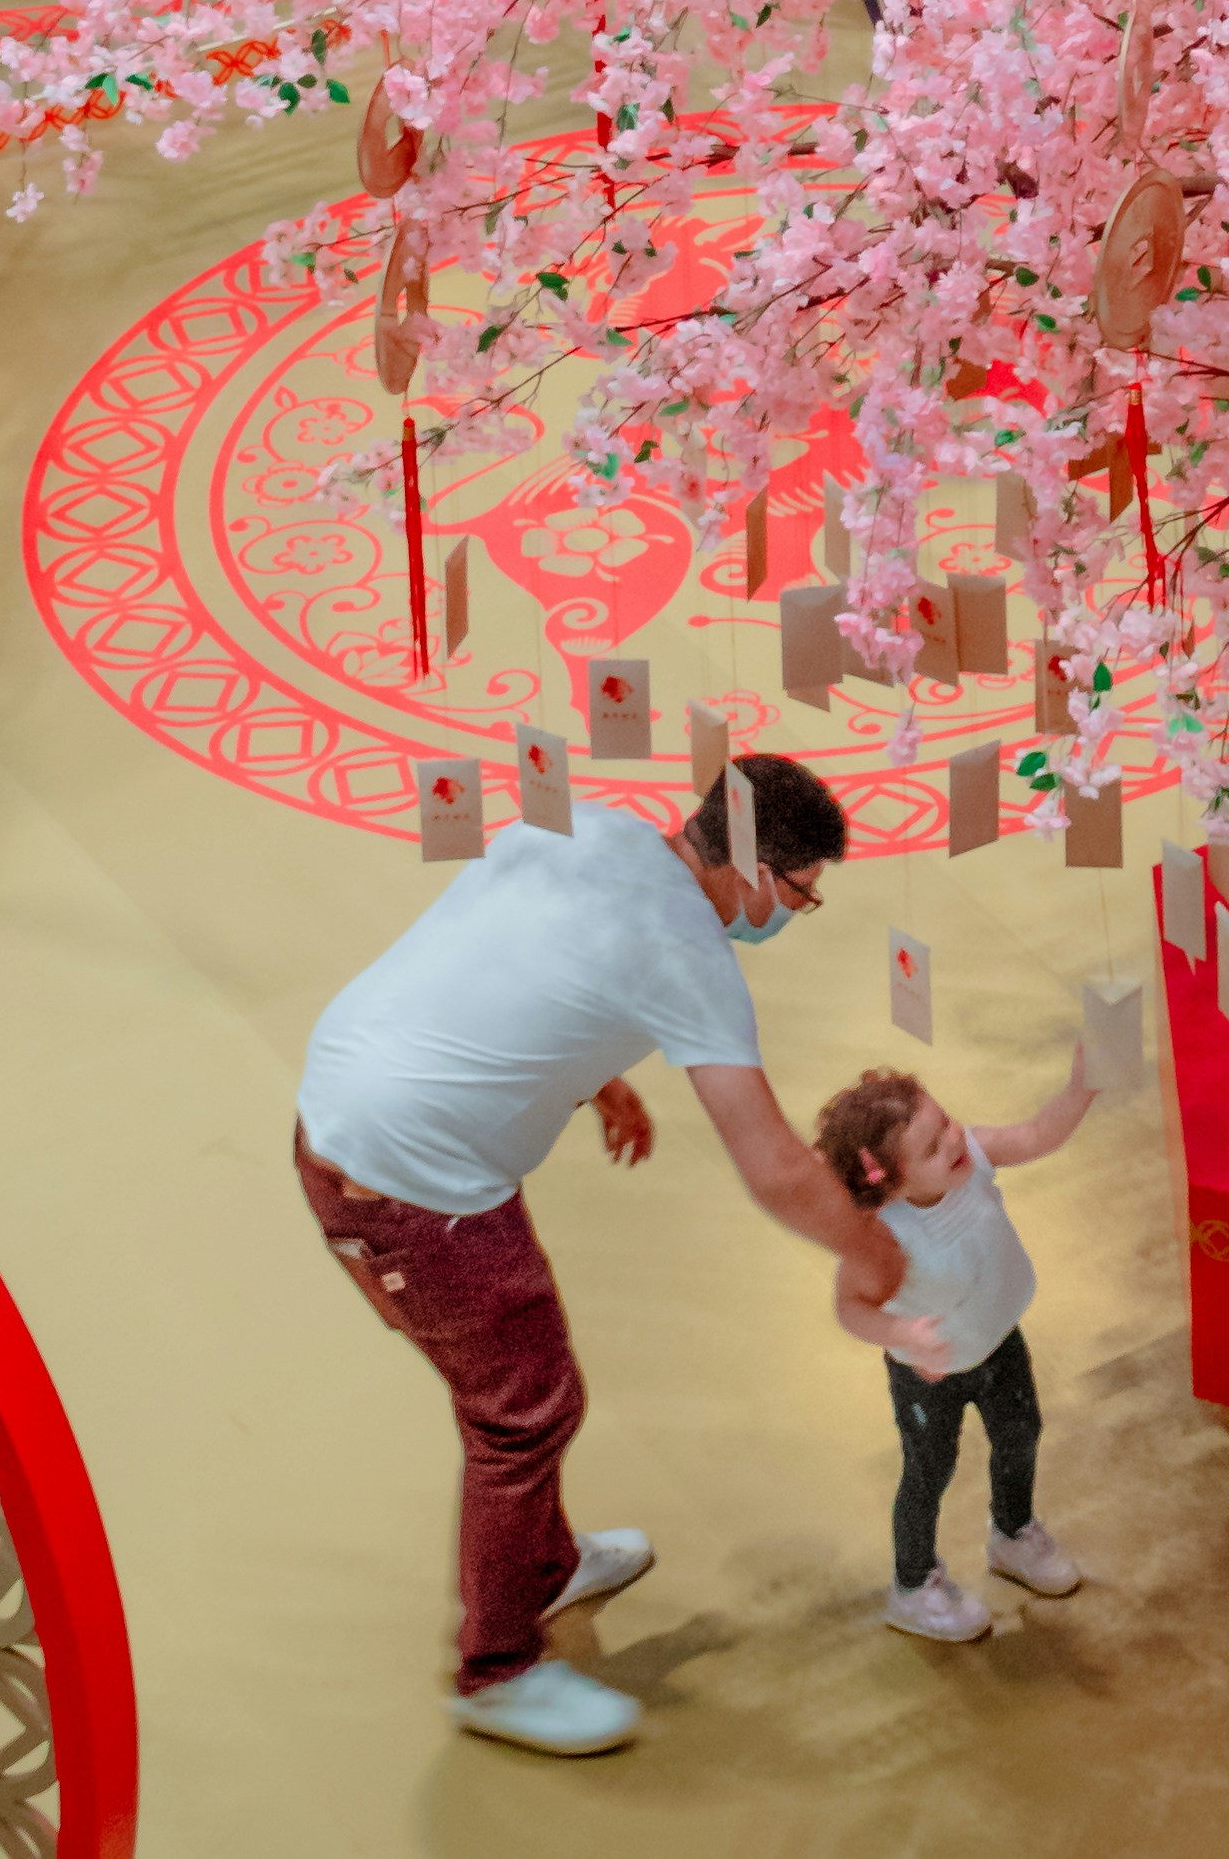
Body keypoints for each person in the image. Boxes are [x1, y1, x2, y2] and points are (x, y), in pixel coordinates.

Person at [296, 751, 925, 1759]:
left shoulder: (589, 826)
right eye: (801, 894)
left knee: (534, 1380)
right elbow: (771, 1162)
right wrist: (870, 1250)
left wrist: (595, 1078)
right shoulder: (690, 954)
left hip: (358, 1097)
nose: (791, 913)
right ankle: (497, 1668)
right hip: (408, 1184)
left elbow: (513, 951)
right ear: (762, 871)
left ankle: (542, 1565)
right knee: (520, 1413)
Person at [815, 1052, 1097, 1645]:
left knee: (1021, 1434)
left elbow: (1039, 1134)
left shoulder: (973, 1155)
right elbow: (850, 1308)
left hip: (998, 1340)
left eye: (945, 1123)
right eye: (932, 1147)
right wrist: (900, 1335)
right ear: (888, 1183)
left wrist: (1080, 1087)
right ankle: (913, 1585)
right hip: (931, 1375)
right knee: (929, 1471)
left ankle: (1013, 1534)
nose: (953, 1139)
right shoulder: (883, 1236)